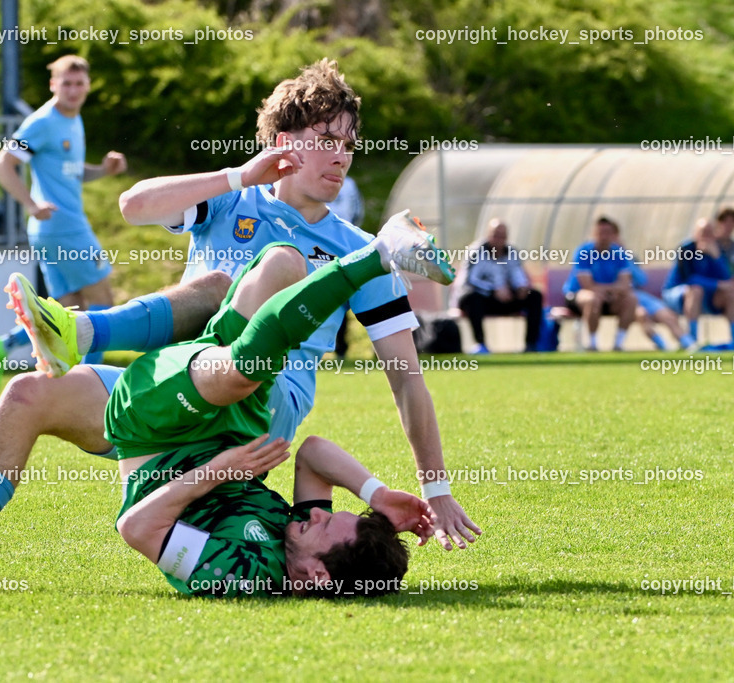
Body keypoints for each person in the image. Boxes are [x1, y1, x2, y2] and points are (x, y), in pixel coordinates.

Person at [0, 59, 479, 592]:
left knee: (253, 277)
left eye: (349, 141)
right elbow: (134, 205)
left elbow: (405, 376)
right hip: (174, 381)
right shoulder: (233, 199)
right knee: (28, 394)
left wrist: (438, 484)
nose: (343, 154)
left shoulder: (358, 248)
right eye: (326, 137)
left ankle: (81, 333)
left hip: (256, 405)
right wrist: (238, 175)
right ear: (283, 141)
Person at [109, 238, 439, 597]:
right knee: (283, 262)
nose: (314, 514)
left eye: (324, 524)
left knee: (244, 368)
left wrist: (219, 472)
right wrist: (377, 495)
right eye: (326, 514)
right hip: (228, 429)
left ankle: (376, 256)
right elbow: (313, 453)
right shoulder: (301, 540)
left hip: (159, 436)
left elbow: (137, 527)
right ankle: (86, 330)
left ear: (318, 575)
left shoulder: (246, 575)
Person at [0, 54, 127, 388]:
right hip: (64, 227)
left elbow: (70, 173)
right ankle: (92, 385)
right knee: (102, 301)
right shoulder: (43, 121)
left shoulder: (73, 119)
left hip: (53, 229)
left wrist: (104, 170)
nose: (73, 90)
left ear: (88, 85)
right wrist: (30, 204)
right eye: (66, 83)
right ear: (53, 85)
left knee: (67, 309)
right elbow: (2, 164)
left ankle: (2, 345)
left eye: (79, 83)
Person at [454, 218, 542, 353]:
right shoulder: (476, 251)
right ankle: (481, 344)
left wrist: (521, 287)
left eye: (502, 236)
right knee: (471, 297)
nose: (498, 239)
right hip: (481, 299)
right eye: (495, 235)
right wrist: (493, 290)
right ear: (488, 235)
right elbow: (470, 280)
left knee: (534, 295)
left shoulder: (511, 252)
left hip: (504, 299)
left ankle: (531, 345)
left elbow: (517, 273)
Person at [562, 216, 638, 351]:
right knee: (592, 298)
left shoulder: (619, 253)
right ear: (594, 234)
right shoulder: (583, 252)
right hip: (578, 296)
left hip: (609, 297)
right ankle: (592, 343)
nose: (604, 237)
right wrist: (612, 290)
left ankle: (618, 344)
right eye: (600, 233)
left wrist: (612, 292)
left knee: (631, 299)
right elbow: (588, 285)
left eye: (608, 233)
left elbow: (625, 283)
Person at [662, 218, 734, 346]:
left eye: (709, 232)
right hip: (677, 294)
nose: (706, 236)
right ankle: (692, 341)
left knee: (730, 294)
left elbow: (726, 279)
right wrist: (717, 285)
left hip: (706, 295)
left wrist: (716, 257)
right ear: (695, 233)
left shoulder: (717, 249)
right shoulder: (686, 249)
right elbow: (689, 279)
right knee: (696, 290)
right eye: (702, 232)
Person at [325, 176, 364, 359]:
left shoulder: (348, 183)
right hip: (320, 242)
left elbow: (357, 212)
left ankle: (340, 347)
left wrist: (350, 236)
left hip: (340, 246)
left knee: (341, 297)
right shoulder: (311, 179)